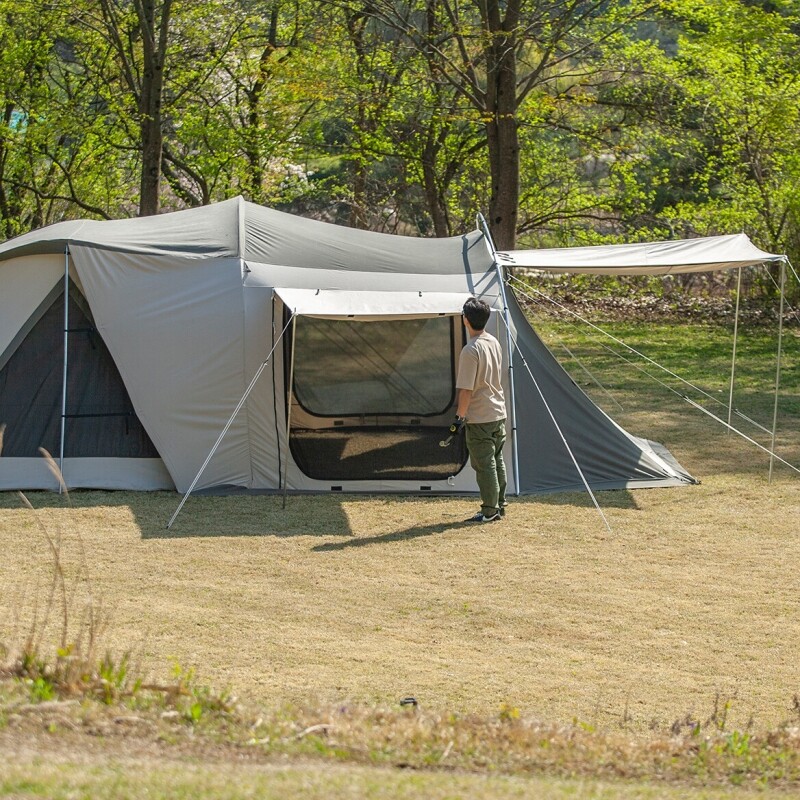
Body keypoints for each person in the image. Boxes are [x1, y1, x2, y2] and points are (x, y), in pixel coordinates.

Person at [452, 297, 507, 523]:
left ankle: (489, 510)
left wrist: (459, 417)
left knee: (485, 465)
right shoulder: (493, 341)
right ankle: (499, 505)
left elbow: (466, 390)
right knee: (497, 460)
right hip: (498, 412)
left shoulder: (470, 350)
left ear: (466, 320)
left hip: (480, 416)